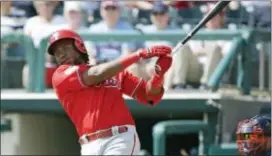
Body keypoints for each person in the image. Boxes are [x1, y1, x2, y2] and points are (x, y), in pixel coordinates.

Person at [48, 29, 172, 155]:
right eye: (57, 52)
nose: (61, 54)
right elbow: (98, 73)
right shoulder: (60, 76)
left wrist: (158, 75)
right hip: (88, 145)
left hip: (119, 138)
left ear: (79, 46)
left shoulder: (114, 73)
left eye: (66, 48)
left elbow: (149, 95)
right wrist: (138, 54)